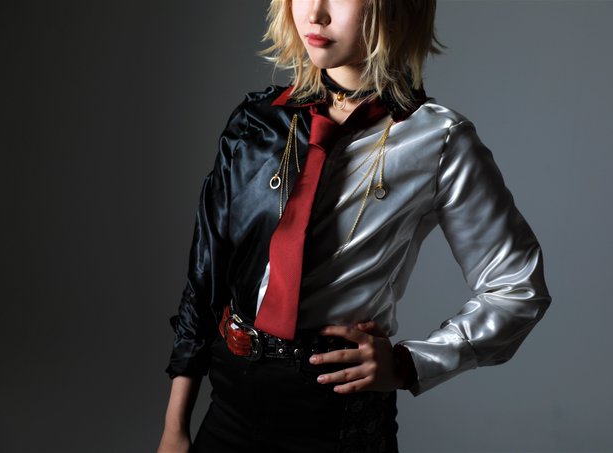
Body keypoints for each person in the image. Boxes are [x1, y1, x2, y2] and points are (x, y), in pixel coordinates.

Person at [158, 0, 551, 452]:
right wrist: (175, 425)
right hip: (231, 403)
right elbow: (206, 277)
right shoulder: (257, 121)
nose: (315, 13)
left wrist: (408, 364)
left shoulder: (439, 140)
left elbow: (518, 288)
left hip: (336, 415)